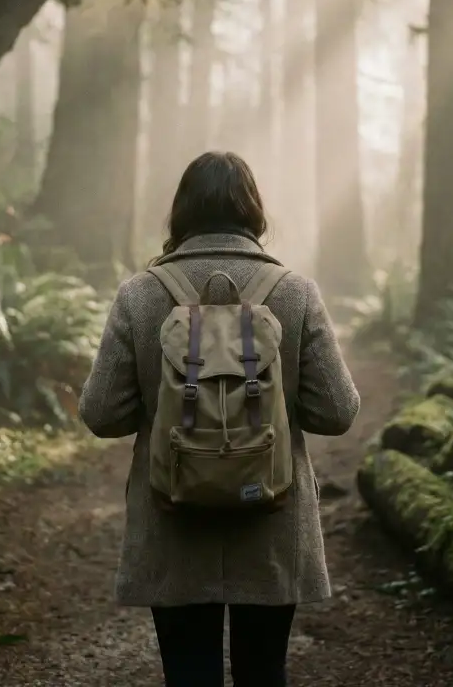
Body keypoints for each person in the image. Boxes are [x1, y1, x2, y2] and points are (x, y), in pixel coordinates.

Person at [78, 151, 361, 687]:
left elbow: (102, 414)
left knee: (189, 674)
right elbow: (338, 412)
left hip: (172, 513)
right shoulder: (294, 292)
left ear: (180, 212)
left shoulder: (140, 294)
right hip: (272, 519)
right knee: (263, 671)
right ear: (254, 212)